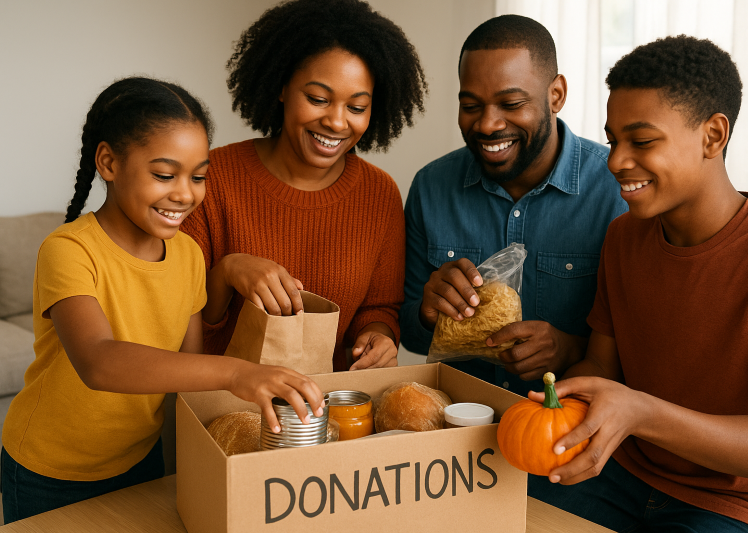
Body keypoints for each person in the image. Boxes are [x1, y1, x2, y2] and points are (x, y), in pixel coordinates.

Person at [0, 77, 324, 523]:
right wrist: (237, 372)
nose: (185, 193)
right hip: (50, 470)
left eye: (198, 176)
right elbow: (99, 361)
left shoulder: (188, 254)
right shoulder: (69, 249)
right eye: (164, 174)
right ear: (109, 162)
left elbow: (186, 371)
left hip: (138, 458)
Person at [527, 36, 748, 533]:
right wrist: (553, 401)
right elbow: (601, 367)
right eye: (612, 141)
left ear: (713, 136)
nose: (614, 161)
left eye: (642, 141)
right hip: (625, 472)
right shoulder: (624, 237)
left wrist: (642, 413)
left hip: (737, 506)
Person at [181, 0, 426, 372]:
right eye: (317, 99)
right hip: (222, 409)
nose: (336, 122)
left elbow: (378, 310)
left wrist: (378, 338)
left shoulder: (380, 194)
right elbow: (178, 320)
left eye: (357, 107)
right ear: (281, 87)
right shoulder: (212, 178)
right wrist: (228, 271)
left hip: (326, 414)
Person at [400, 15, 627, 396]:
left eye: (511, 103)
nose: (488, 124)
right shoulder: (431, 187)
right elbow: (410, 334)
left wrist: (572, 348)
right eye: (471, 105)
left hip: (566, 430)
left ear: (556, 95)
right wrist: (427, 313)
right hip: (460, 437)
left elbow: (646, 344)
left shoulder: (615, 189)